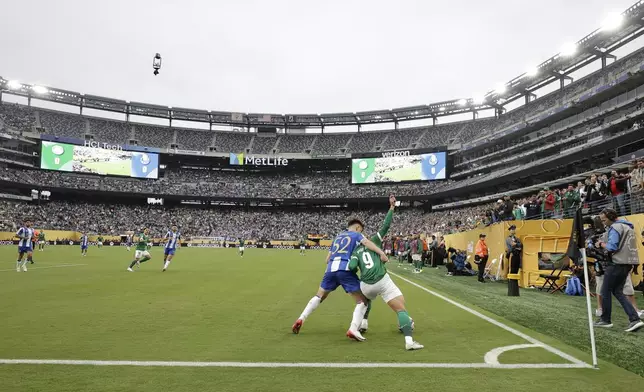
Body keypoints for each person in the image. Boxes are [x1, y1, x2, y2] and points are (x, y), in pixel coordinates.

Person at [292, 208, 389, 341]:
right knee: (363, 301)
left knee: (319, 296)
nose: (362, 233)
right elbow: (368, 243)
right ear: (357, 227)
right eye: (361, 230)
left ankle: (301, 318)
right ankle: (353, 329)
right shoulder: (356, 235)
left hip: (331, 269)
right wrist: (381, 252)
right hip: (345, 269)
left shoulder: (337, 237)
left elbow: (327, 259)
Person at [349, 196, 423, 350]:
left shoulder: (355, 250)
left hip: (366, 284)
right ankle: (409, 339)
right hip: (381, 280)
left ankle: (363, 323)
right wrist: (391, 207)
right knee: (400, 309)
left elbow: (352, 267)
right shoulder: (374, 240)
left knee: (366, 300)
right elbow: (386, 225)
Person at [594, 208, 644, 332]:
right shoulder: (629, 227)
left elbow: (612, 247)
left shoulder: (615, 228)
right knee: (618, 291)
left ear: (611, 217)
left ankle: (605, 320)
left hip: (616, 263)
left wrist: (600, 244)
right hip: (628, 263)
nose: (603, 222)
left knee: (605, 291)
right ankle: (634, 319)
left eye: (604, 220)